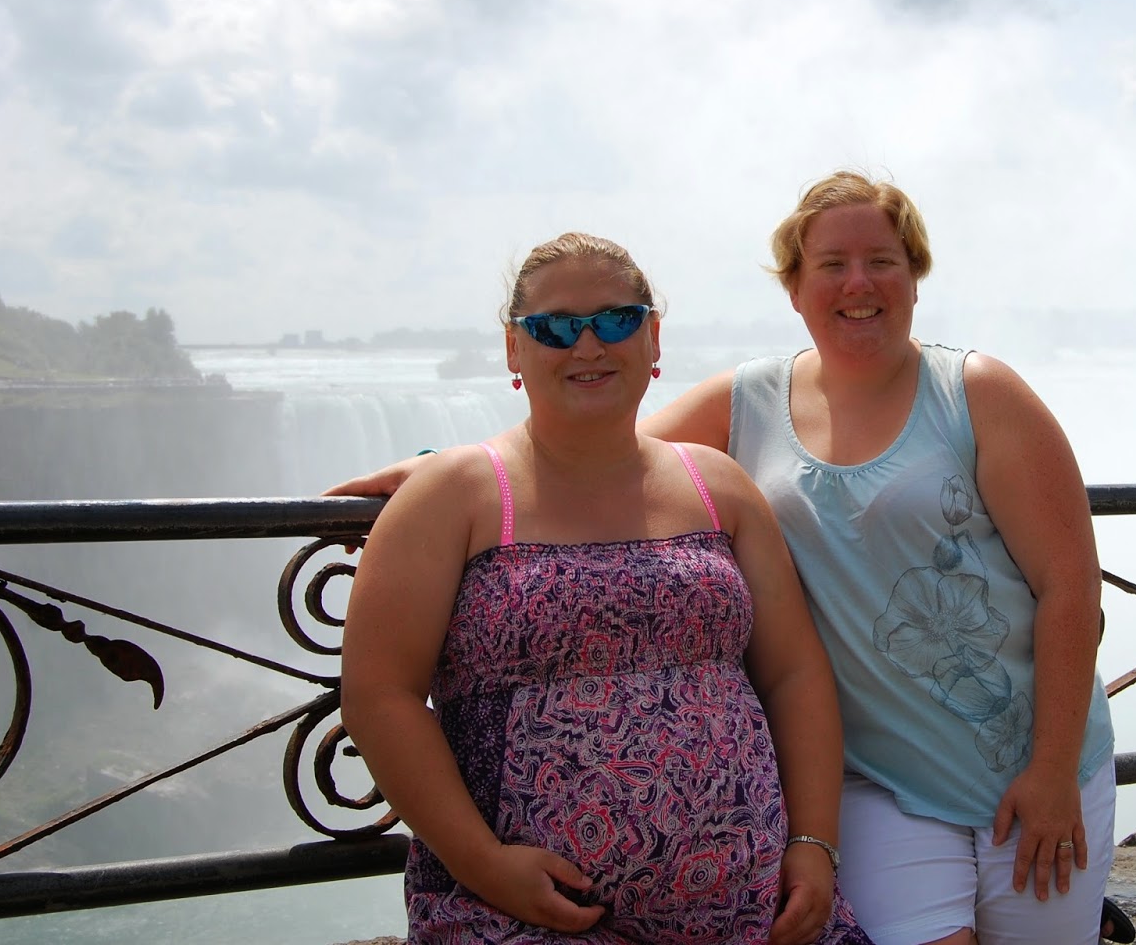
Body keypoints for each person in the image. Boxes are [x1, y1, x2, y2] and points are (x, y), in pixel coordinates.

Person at [333, 174, 1128, 945]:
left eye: (882, 260)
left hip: (1020, 758)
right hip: (881, 780)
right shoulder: (748, 402)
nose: (858, 282)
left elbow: (1067, 587)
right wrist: (435, 473)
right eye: (832, 263)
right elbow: (583, 447)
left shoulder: (972, 392)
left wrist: (1051, 770)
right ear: (795, 287)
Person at [339, 232, 874, 944]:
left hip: (752, 910)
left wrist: (813, 843)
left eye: (616, 320)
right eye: (555, 328)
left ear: (653, 338)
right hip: (523, 914)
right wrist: (484, 863)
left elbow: (795, 673)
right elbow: (380, 694)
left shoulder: (717, 486)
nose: (588, 345)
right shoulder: (453, 496)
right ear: (514, 349)